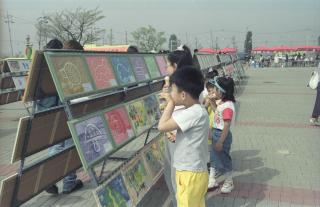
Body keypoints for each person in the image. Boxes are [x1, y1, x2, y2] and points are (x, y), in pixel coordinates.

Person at [158, 66, 209, 207]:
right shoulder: (197, 111)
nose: (170, 92)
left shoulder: (193, 112)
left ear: (183, 95)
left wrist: (170, 103)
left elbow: (162, 126)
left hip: (189, 174)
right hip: (192, 172)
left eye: (173, 89)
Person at [42, 39, 84, 195]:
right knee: (70, 146)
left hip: (49, 117)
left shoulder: (44, 69)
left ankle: (48, 180)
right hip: (66, 114)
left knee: (56, 146)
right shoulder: (64, 67)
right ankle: (69, 184)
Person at [162, 45, 193, 207]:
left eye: (167, 65)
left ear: (175, 67)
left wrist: (168, 99)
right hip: (174, 133)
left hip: (176, 135)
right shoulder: (185, 83)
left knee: (176, 176)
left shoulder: (184, 88)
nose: (165, 68)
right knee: (172, 173)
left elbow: (188, 112)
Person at [208, 76, 236, 193]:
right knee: (214, 156)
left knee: (224, 158)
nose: (214, 91)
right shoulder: (222, 103)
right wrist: (212, 102)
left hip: (222, 135)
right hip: (216, 132)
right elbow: (216, 112)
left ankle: (229, 181)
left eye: (216, 89)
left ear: (222, 92)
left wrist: (220, 141)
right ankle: (212, 178)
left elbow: (226, 125)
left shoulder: (228, 106)